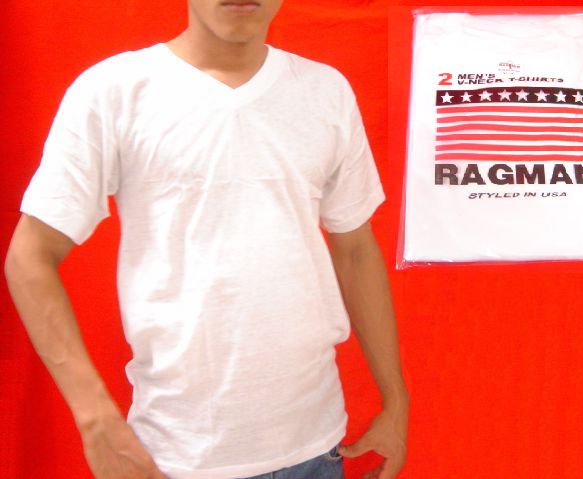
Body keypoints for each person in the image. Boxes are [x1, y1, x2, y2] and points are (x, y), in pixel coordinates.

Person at [5, 1, 409, 478]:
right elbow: (29, 257)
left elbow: (356, 249)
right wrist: (94, 416)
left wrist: (396, 399)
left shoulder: (325, 91)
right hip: (178, 456)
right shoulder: (114, 92)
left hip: (316, 448)